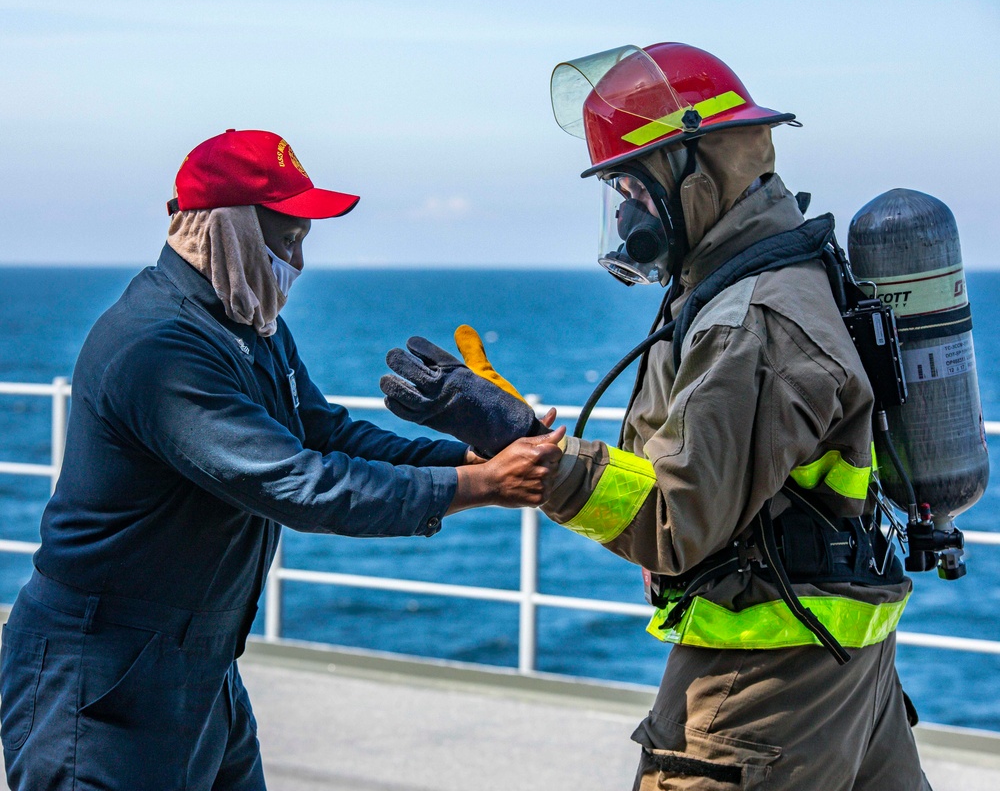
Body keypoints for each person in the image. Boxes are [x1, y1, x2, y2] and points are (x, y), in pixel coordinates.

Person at [382, 44, 929, 789]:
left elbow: (675, 521)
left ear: (696, 173)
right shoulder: (754, 277)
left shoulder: (749, 323)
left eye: (634, 189)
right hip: (840, 669)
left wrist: (524, 447)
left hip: (766, 688)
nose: (627, 213)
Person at [0, 128, 564, 790]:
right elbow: (296, 483)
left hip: (199, 665)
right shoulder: (158, 345)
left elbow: (326, 435)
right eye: (286, 237)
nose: (298, 258)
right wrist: (479, 485)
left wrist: (468, 453)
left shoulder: (248, 323)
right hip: (104, 673)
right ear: (228, 230)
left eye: (303, 240)